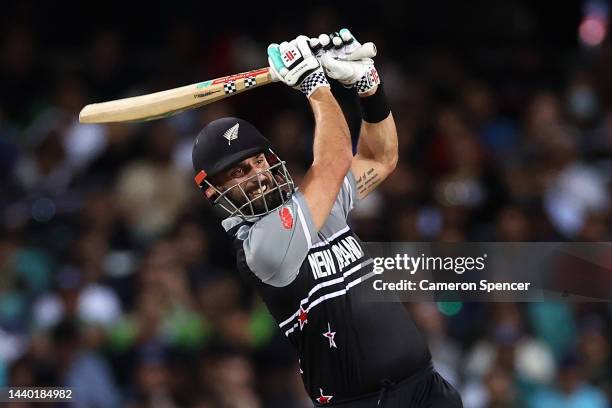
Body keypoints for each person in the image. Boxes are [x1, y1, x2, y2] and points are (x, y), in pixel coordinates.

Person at [191, 29, 463, 407]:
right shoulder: (260, 248)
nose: (256, 176)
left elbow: (380, 160)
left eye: (257, 162)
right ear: (213, 192)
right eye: (237, 173)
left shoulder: (316, 203)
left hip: (427, 388)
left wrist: (368, 86)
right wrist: (315, 86)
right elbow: (334, 162)